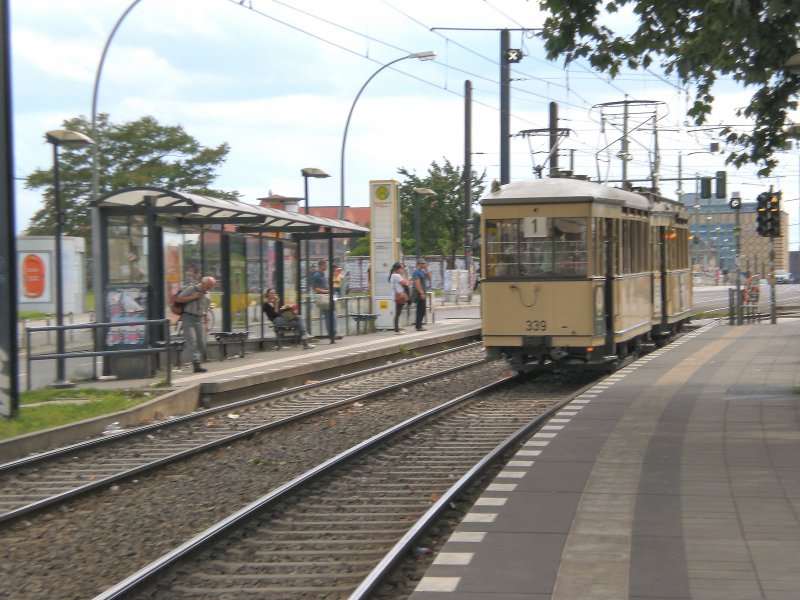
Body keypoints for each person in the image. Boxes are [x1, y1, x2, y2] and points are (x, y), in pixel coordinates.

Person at [177, 275, 215, 373]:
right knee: (191, 341)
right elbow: (179, 299)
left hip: (200, 319)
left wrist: (206, 323)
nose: (209, 289)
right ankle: (196, 364)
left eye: (211, 287)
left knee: (202, 342)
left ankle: (198, 361)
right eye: (208, 287)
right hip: (188, 317)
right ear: (202, 283)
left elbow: (205, 309)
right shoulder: (192, 288)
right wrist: (193, 297)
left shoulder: (208, 294)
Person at [310, 259, 342, 341]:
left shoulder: (322, 274)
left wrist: (328, 289)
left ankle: (333, 333)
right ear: (321, 265)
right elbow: (315, 289)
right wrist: (326, 291)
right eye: (326, 265)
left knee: (332, 315)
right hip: (322, 298)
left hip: (326, 297)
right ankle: (332, 334)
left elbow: (323, 285)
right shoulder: (316, 275)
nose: (327, 266)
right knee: (328, 316)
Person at [388, 262, 408, 334]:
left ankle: (397, 328)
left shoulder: (393, 275)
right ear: (397, 269)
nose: (402, 270)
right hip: (399, 295)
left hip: (397, 295)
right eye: (401, 268)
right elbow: (405, 283)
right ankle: (396, 330)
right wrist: (403, 275)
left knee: (398, 312)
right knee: (398, 313)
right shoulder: (396, 275)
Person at [412, 259, 430, 332]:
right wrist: (421, 293)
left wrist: (426, 269)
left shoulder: (422, 271)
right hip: (420, 293)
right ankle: (418, 326)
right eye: (424, 264)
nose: (425, 265)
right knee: (420, 310)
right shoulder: (416, 272)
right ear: (420, 264)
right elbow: (417, 283)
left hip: (423, 292)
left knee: (422, 310)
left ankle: (419, 325)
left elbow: (429, 277)